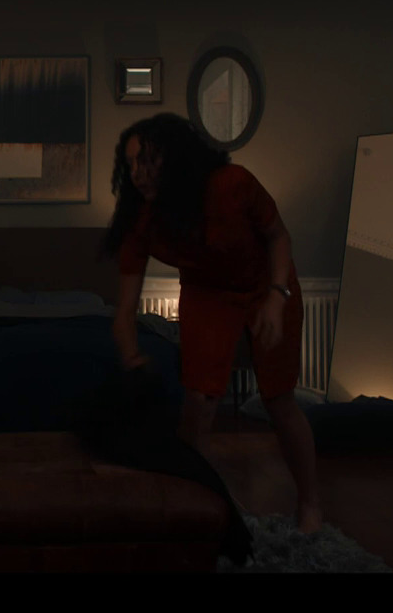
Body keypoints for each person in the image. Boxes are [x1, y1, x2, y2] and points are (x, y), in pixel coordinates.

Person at [104, 112, 323, 534]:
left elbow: (279, 236)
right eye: (130, 164)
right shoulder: (141, 221)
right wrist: (131, 357)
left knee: (279, 399)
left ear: (175, 159)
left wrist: (277, 297)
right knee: (199, 401)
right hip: (206, 294)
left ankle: (310, 504)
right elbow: (124, 312)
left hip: (267, 285)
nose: (137, 174)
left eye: (147, 161)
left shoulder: (232, 184)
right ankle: (190, 507)